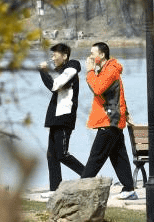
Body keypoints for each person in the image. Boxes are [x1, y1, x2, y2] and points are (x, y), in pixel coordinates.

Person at [80, 41, 137, 200]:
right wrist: (126, 114)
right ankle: (129, 188)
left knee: (95, 158)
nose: (90, 56)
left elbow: (98, 89)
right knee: (119, 157)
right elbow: (117, 95)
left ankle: (81, 190)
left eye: (93, 53)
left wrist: (90, 71)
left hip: (109, 120)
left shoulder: (110, 71)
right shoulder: (105, 70)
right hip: (113, 120)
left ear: (102, 55)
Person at [38, 42, 86, 194]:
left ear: (64, 56)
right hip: (55, 118)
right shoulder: (63, 71)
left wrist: (43, 71)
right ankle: (55, 189)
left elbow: (54, 85)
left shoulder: (71, 69)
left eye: (55, 54)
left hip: (64, 117)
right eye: (51, 54)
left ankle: (88, 175)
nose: (52, 57)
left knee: (63, 154)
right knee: (51, 155)